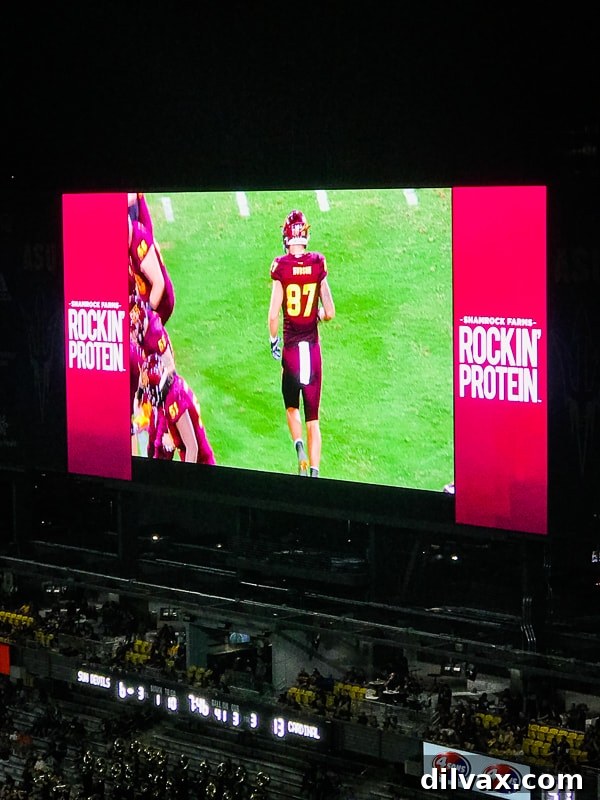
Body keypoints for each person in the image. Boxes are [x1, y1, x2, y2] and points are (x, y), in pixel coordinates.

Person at [268, 209, 335, 477]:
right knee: (314, 421)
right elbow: (329, 310)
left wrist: (273, 339)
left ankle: (299, 448)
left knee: (291, 406)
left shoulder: (281, 267)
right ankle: (315, 473)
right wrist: (314, 316)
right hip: (313, 351)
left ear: (286, 236)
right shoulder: (318, 263)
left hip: (293, 352)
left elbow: (274, 313)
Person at [140, 353, 216, 464]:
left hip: (200, 465)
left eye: (151, 389)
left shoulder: (174, 399)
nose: (149, 394)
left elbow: (192, 447)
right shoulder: (171, 388)